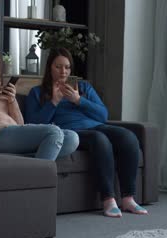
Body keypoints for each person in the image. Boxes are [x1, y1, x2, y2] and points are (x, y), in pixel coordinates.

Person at [25, 47, 147, 218]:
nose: (63, 71)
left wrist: (78, 100)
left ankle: (128, 198)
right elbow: (34, 125)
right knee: (100, 139)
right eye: (58, 67)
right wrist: (53, 101)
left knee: (128, 137)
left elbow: (103, 115)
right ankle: (108, 199)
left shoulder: (84, 87)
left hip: (95, 126)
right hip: (70, 132)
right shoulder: (37, 93)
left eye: (67, 67)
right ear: (49, 68)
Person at [0, 45, 79, 161]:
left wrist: (12, 101)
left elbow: (20, 124)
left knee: (72, 138)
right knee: (54, 132)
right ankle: (37, 178)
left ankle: (28, 162)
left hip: (13, 133)